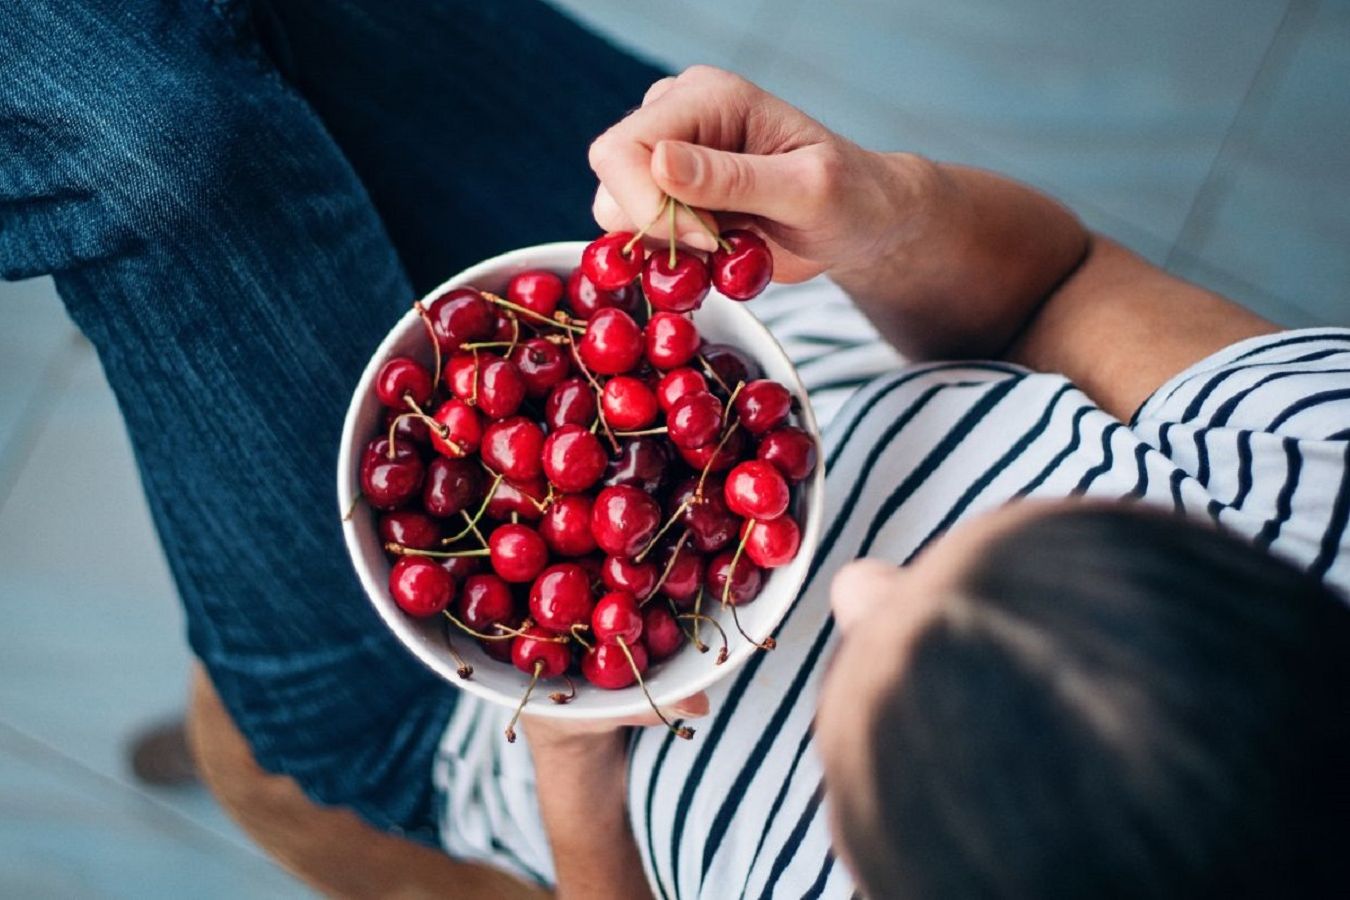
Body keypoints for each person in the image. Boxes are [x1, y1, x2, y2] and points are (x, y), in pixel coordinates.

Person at [4, 4, 1347, 898]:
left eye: (864, 682)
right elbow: (1057, 285)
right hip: (708, 322)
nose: (856, 581)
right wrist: (881, 212)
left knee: (156, 149)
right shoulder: (1321, 476)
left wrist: (575, 754)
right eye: (1023, 545)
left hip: (457, 715)